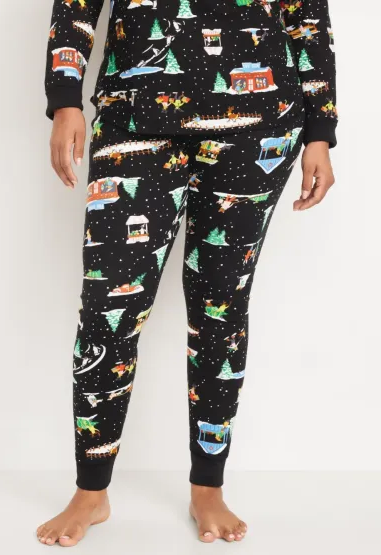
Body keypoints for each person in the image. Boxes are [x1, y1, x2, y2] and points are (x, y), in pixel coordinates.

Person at [38, 0, 337, 546]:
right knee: (107, 311)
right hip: (134, 115)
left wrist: (321, 127)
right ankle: (91, 490)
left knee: (221, 311)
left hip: (258, 126)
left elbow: (307, 15)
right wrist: (65, 98)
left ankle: (208, 487)